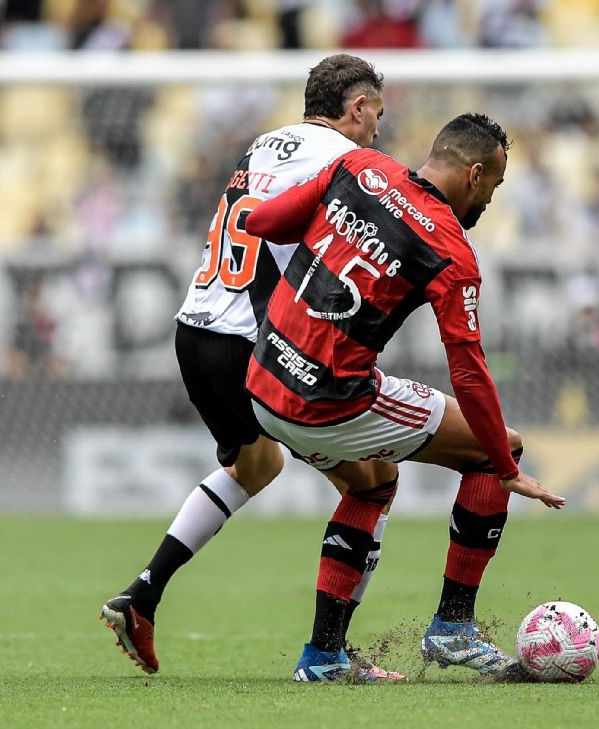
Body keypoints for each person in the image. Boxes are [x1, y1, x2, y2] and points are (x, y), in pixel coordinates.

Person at [100, 54, 400, 679]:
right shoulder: (344, 163)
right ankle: (330, 656)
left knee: (256, 462)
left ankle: (143, 595)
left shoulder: (264, 144)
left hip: (196, 328)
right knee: (372, 481)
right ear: (355, 108)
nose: (378, 124)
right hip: (253, 343)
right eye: (376, 111)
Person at [241, 113, 565, 683]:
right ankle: (455, 629)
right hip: (329, 399)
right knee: (495, 448)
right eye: (494, 185)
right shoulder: (450, 249)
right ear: (474, 173)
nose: (490, 198)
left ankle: (323, 658)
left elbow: (265, 221)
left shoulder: (358, 166)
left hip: (264, 383)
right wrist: (507, 466)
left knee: (373, 483)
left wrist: (337, 232)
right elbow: (469, 372)